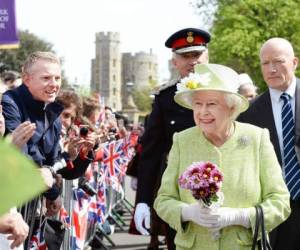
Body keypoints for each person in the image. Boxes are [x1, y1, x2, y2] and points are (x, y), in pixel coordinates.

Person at [153, 63, 290, 250]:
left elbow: (280, 201)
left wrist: (241, 217)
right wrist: (187, 212)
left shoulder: (257, 138)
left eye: (211, 104)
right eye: (198, 104)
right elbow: (163, 200)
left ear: (231, 108)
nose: (203, 112)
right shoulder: (182, 141)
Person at [134, 28, 210, 249]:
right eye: (185, 56)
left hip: (226, 187)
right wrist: (143, 201)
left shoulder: (225, 92)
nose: (192, 61)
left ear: (206, 56)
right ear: (174, 62)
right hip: (180, 193)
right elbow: (151, 153)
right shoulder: (166, 98)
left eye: (196, 55)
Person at [238, 37, 300, 250]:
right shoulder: (249, 113)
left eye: (278, 61)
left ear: (294, 63)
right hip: (274, 210)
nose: (271, 69)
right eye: (265, 63)